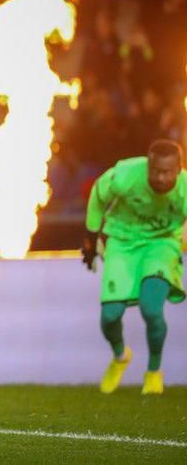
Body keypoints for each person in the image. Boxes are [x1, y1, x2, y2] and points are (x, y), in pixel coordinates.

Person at [83, 140, 186, 396]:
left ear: (179, 170)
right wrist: (90, 237)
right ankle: (120, 356)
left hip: (161, 244)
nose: (160, 177)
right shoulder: (126, 174)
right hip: (122, 241)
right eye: (155, 171)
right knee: (109, 316)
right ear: (148, 166)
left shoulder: (185, 189)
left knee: (152, 309)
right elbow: (98, 193)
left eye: (167, 172)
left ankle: (153, 372)